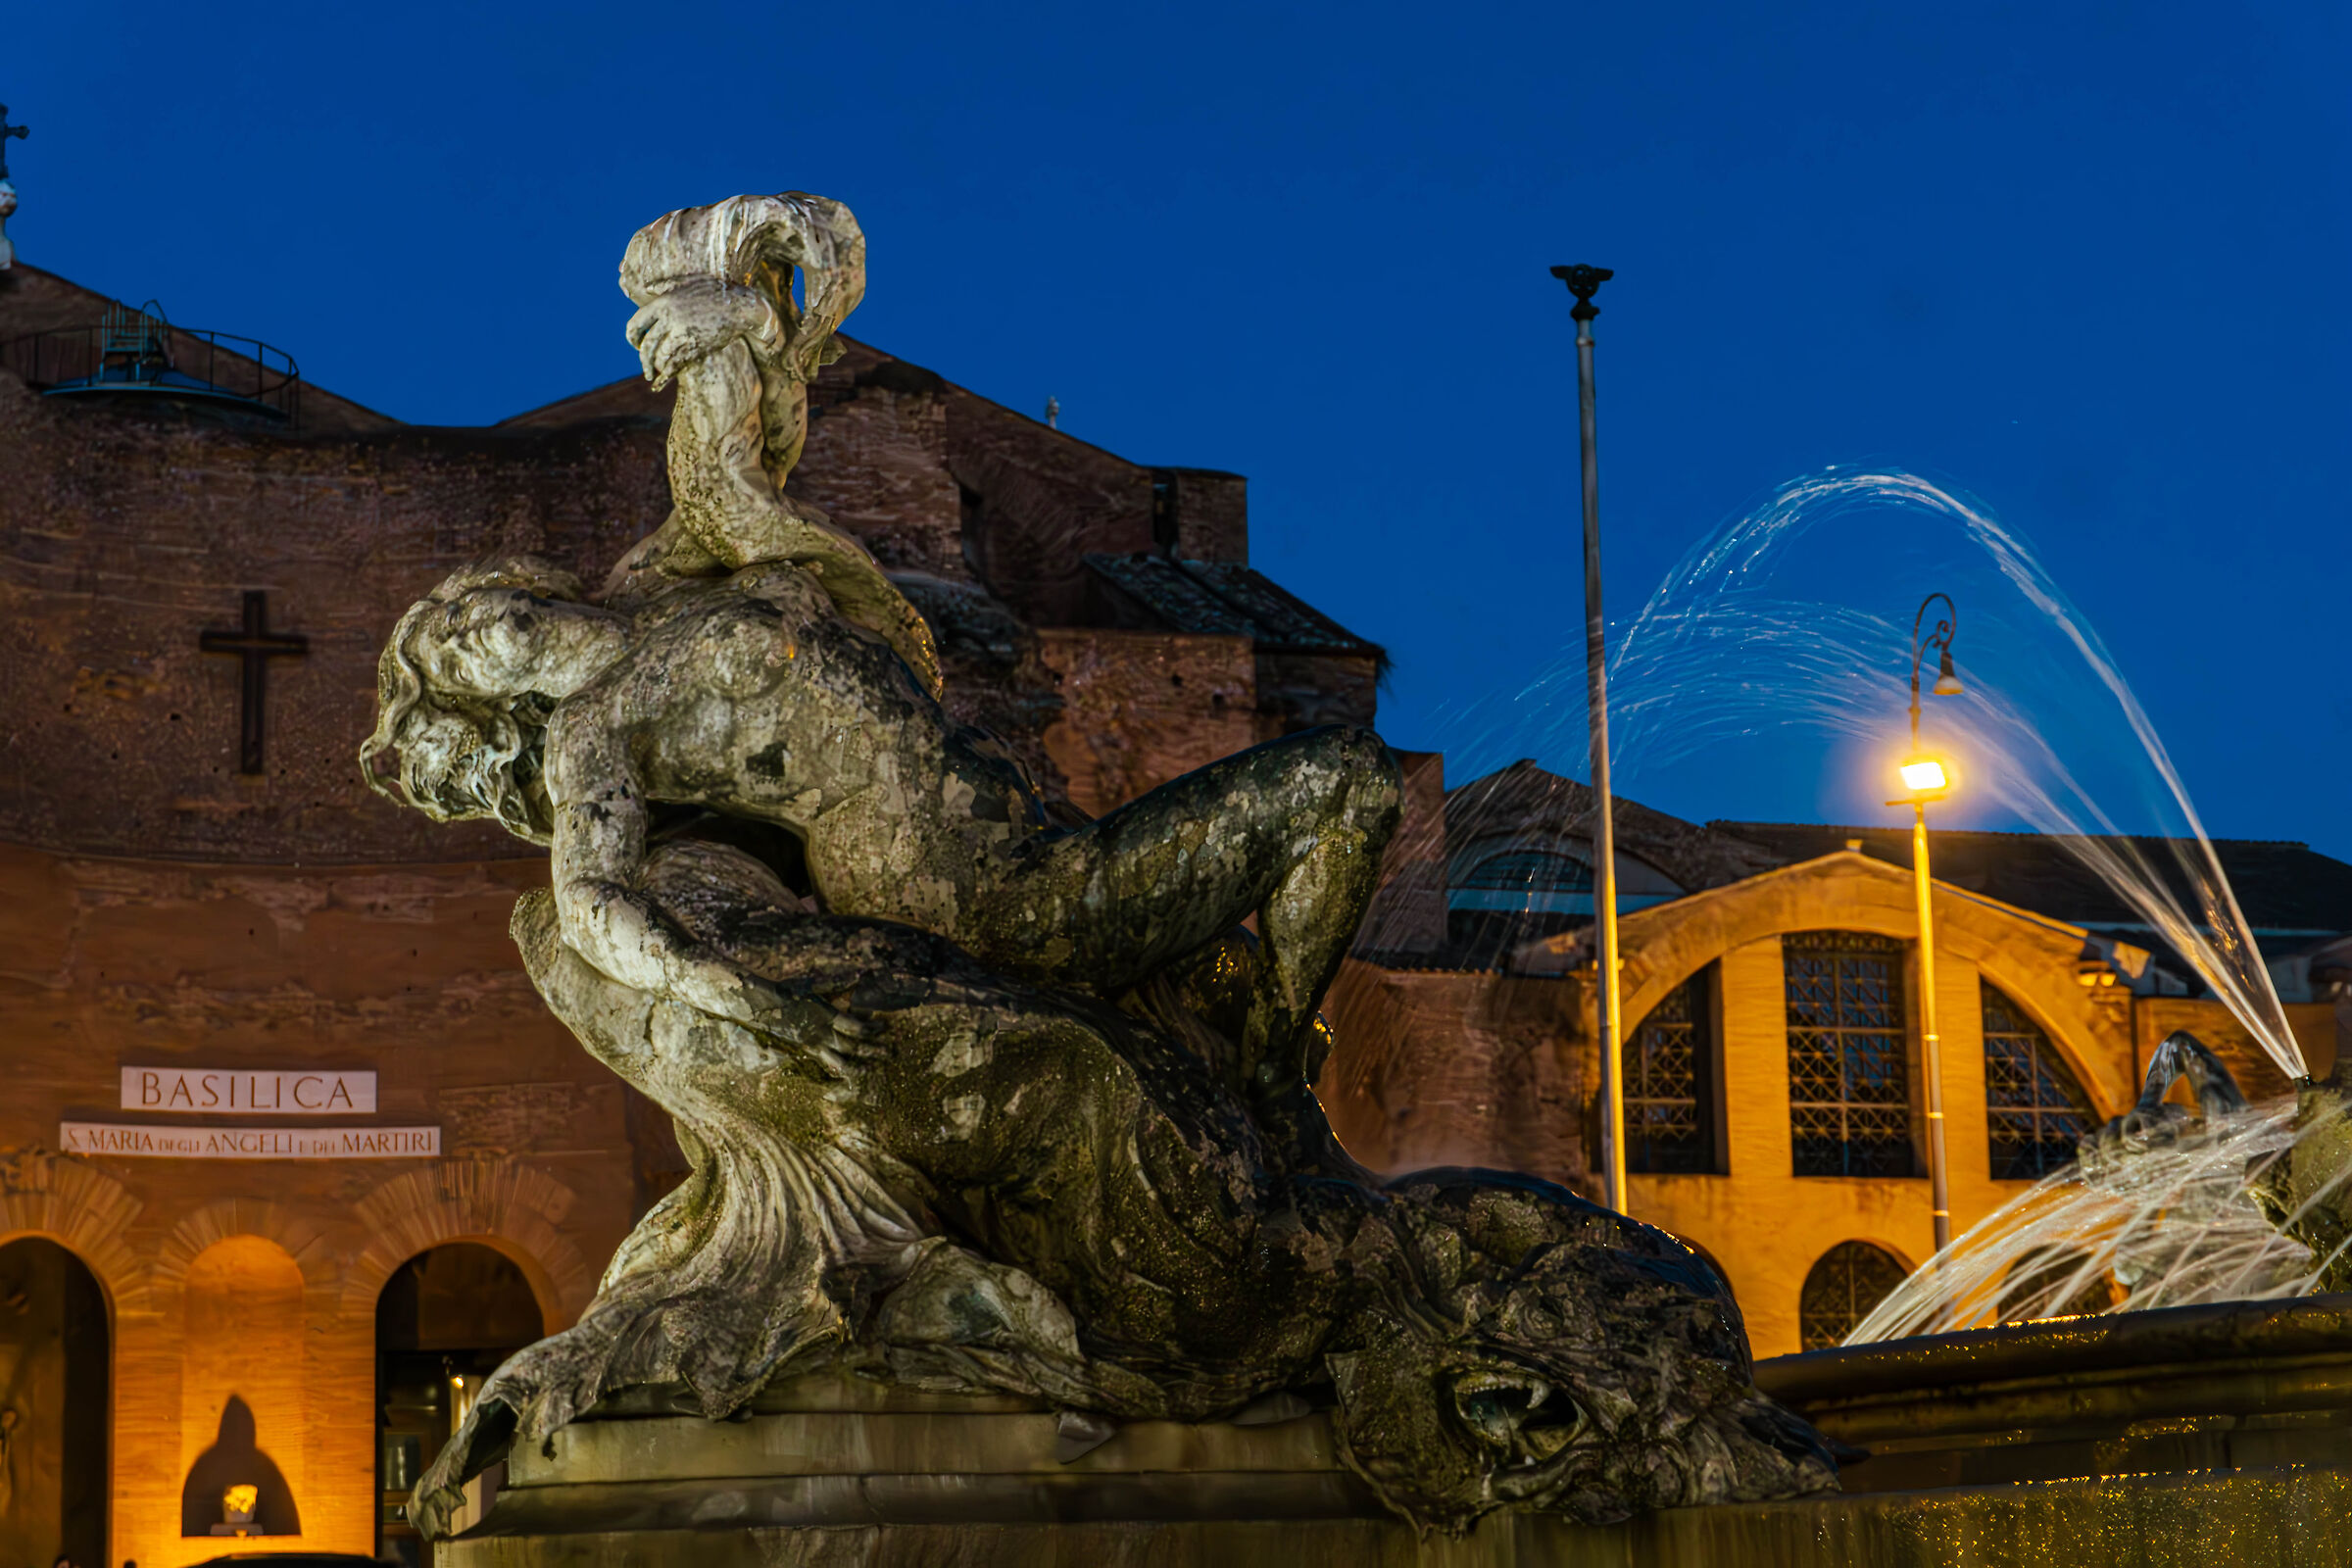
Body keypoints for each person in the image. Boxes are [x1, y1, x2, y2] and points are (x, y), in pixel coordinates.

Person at [363, 554, 1399, 1108]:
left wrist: (758, 295)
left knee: (1240, 952)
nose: (464, 634)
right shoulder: (589, 732)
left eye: (452, 617)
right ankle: (1272, 1073)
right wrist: (753, 1003)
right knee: (1346, 778)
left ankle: (1271, 1065)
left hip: (1024, 824)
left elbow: (731, 434)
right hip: (972, 889)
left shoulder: (663, 582)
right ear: (496, 701)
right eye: (453, 662)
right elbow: (594, 905)